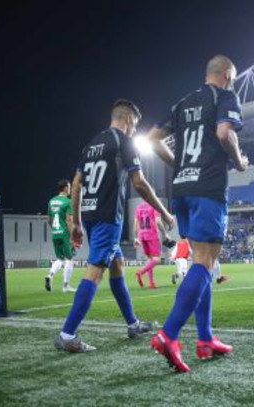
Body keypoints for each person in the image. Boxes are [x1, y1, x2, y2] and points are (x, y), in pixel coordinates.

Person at [148, 55, 246, 372]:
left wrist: (179, 164)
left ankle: (205, 339)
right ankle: (168, 335)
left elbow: (152, 140)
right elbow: (224, 134)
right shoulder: (225, 96)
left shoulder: (183, 103)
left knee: (202, 261)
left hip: (182, 189)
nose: (233, 81)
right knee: (205, 260)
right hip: (208, 187)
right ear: (227, 74)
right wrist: (240, 162)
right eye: (233, 77)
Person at [54, 99, 170, 353]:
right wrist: (164, 212)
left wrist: (77, 222)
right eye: (135, 124)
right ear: (128, 119)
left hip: (90, 215)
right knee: (95, 273)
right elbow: (139, 183)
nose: (134, 129)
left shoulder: (92, 144)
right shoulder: (124, 142)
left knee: (117, 266)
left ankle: (133, 324)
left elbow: (76, 184)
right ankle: (67, 334)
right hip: (108, 217)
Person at [46, 179, 76, 293]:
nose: (70, 189)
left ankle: (50, 275)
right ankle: (65, 286)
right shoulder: (68, 202)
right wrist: (72, 236)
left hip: (55, 233)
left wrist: (55, 229)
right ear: (65, 188)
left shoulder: (51, 201)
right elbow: (69, 220)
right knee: (69, 259)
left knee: (60, 258)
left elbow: (49, 220)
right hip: (64, 234)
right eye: (69, 187)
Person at [133, 200, 168, 288]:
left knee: (150, 259)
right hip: (152, 235)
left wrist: (136, 237)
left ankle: (151, 283)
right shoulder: (154, 206)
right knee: (156, 259)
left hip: (142, 235)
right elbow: (158, 221)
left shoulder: (139, 207)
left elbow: (136, 222)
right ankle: (141, 272)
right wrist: (165, 233)